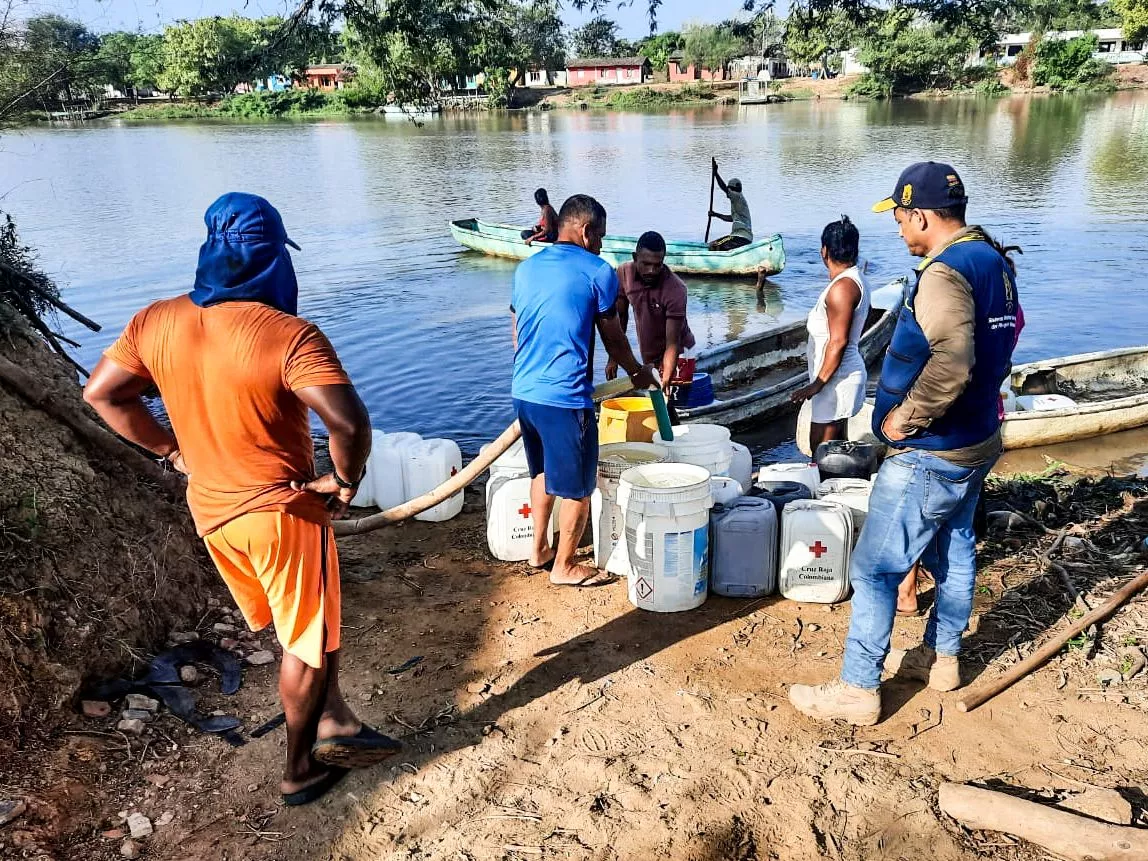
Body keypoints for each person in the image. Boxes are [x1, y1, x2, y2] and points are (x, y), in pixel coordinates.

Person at [84, 193, 401, 805]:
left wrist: (173, 453)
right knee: (303, 646)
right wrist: (343, 479)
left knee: (303, 629)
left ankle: (335, 722)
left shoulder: (155, 320)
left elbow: (102, 394)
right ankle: (299, 771)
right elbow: (350, 424)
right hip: (279, 514)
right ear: (274, 260)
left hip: (211, 511)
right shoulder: (288, 335)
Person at [789, 162, 1021, 725]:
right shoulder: (991, 258)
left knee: (875, 568)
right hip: (978, 437)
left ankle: (858, 688)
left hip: (933, 448)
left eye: (898, 216)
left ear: (919, 214)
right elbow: (1008, 333)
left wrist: (899, 424)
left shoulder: (944, 273)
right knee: (955, 545)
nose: (896, 229)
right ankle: (942, 660)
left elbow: (953, 361)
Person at [510, 194, 656, 586]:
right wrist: (637, 372)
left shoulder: (527, 267)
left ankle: (538, 549)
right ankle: (564, 566)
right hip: (565, 397)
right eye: (602, 236)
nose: (604, 244)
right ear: (586, 230)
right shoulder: (598, 270)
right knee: (578, 486)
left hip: (524, 391)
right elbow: (614, 338)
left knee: (542, 472)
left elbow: (517, 331)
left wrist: (531, 373)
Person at [791, 216, 871, 454]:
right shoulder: (853, 278)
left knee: (822, 453)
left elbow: (838, 342)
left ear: (824, 251)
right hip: (837, 377)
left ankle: (828, 490)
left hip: (836, 380)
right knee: (836, 453)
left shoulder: (842, 288)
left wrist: (817, 384)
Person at [606, 231, 696, 403]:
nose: (651, 271)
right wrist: (614, 358)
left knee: (671, 402)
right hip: (650, 353)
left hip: (679, 353)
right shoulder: (624, 273)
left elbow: (673, 343)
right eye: (646, 264)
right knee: (653, 401)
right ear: (635, 257)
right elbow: (620, 318)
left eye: (657, 265)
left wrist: (666, 377)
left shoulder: (676, 289)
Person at [708, 170, 753, 251]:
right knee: (713, 244)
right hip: (739, 237)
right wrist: (715, 214)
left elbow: (724, 188)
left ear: (732, 189)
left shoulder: (737, 196)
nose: (727, 194)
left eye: (729, 190)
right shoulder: (737, 202)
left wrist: (716, 174)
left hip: (741, 237)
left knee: (714, 246)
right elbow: (731, 218)